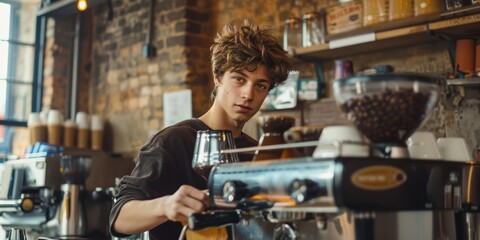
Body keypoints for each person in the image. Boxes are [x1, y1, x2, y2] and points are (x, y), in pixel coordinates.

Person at [109, 19, 293, 240]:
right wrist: (166, 205)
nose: (248, 94)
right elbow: (119, 218)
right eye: (239, 79)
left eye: (260, 85)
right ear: (217, 78)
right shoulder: (173, 141)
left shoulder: (256, 151)